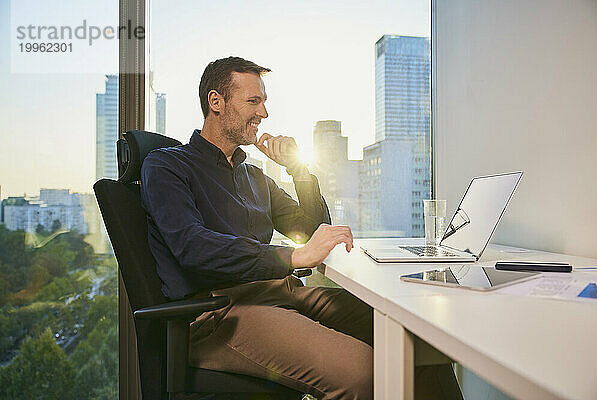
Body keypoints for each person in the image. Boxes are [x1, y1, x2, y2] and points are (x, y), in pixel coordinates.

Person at [141, 57, 460, 400]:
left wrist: (299, 171)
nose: (264, 113)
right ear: (216, 102)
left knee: (421, 339)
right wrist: (293, 257)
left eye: (264, 101)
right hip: (220, 311)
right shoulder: (167, 165)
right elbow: (194, 247)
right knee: (363, 373)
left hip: (283, 293)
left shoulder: (255, 178)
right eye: (254, 101)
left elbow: (312, 230)